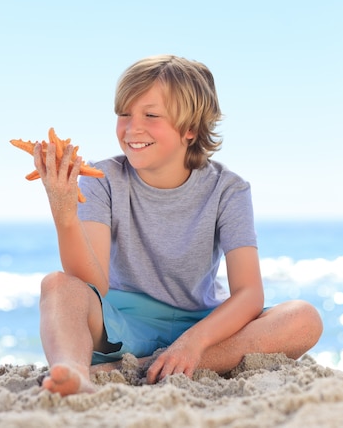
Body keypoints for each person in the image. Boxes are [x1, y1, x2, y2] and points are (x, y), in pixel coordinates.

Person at [33, 54, 323, 396]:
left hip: (202, 324)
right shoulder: (102, 179)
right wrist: (64, 215)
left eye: (151, 115)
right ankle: (74, 372)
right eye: (124, 113)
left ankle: (132, 369)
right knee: (58, 285)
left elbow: (249, 294)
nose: (132, 127)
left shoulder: (228, 190)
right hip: (123, 323)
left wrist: (194, 342)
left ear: (191, 129)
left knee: (304, 318)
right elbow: (92, 285)